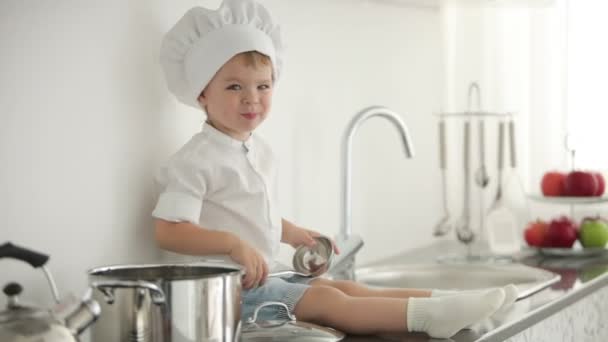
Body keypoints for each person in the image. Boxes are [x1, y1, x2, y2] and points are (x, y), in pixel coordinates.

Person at [153, 0, 517, 338]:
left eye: (263, 86)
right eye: (235, 86)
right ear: (202, 93)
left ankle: (447, 301)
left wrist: (294, 234)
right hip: (227, 294)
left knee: (346, 288)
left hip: (262, 276)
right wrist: (233, 246)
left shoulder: (256, 151)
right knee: (330, 303)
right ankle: (429, 318)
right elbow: (169, 231)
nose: (252, 98)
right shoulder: (194, 160)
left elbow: (245, 214)